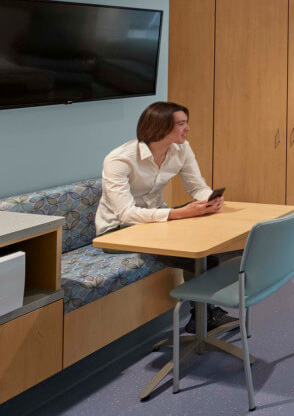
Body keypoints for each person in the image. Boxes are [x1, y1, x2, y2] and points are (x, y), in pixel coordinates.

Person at [96, 101, 233, 333]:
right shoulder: (119, 160)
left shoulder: (181, 149)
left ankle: (203, 316)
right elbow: (126, 213)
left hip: (156, 222)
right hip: (117, 231)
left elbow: (196, 186)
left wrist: (209, 199)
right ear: (160, 127)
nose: (187, 128)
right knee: (198, 257)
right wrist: (178, 213)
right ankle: (202, 318)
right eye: (181, 124)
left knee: (205, 242)